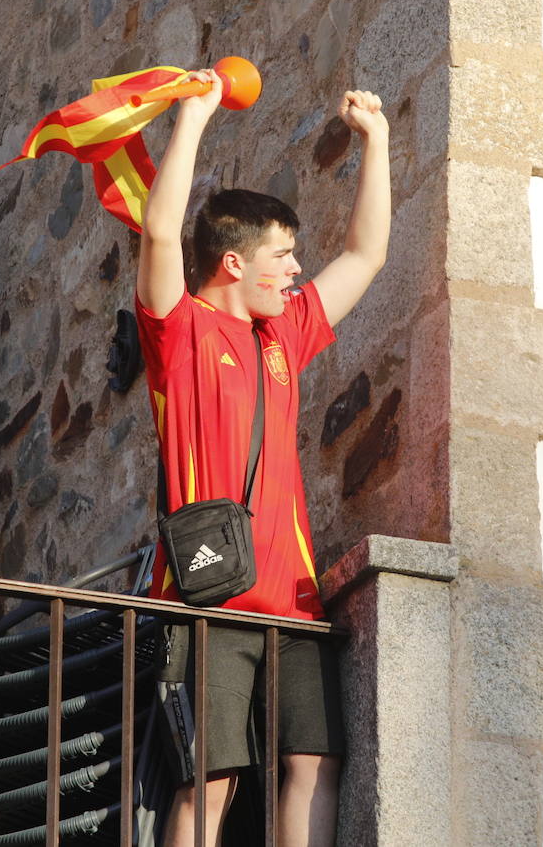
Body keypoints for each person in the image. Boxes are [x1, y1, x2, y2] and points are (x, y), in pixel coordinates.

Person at [136, 71, 390, 847]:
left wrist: (377, 144)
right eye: (281, 255)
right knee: (206, 782)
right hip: (206, 597)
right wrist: (194, 118)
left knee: (314, 764)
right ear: (232, 265)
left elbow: (366, 254)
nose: (294, 269)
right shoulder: (178, 332)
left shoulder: (282, 338)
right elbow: (157, 234)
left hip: (295, 604)